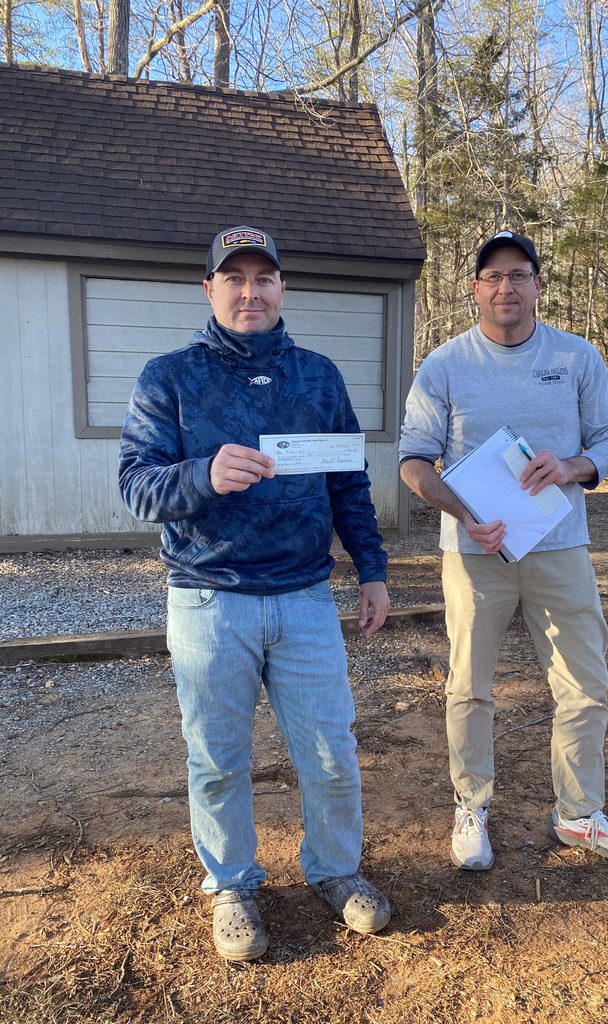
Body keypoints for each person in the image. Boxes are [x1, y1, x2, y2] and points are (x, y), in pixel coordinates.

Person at [119, 225, 392, 962]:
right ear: (209, 289)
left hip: (304, 598)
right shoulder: (169, 378)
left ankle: (334, 869)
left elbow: (349, 483)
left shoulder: (319, 377)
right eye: (234, 279)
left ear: (282, 288)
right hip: (210, 599)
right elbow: (137, 486)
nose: (250, 292)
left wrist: (371, 569)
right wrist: (202, 475)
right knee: (216, 759)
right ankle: (232, 885)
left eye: (263, 278)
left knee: (331, 751)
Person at [399, 230, 608, 873]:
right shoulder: (444, 365)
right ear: (475, 289)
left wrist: (571, 467)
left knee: (583, 684)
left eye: (518, 275)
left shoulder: (575, 357)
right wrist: (464, 512)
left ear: (538, 285)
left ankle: (579, 814)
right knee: (469, 686)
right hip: (474, 552)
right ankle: (471, 806)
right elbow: (414, 462)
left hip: (559, 547)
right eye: (492, 276)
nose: (505, 287)